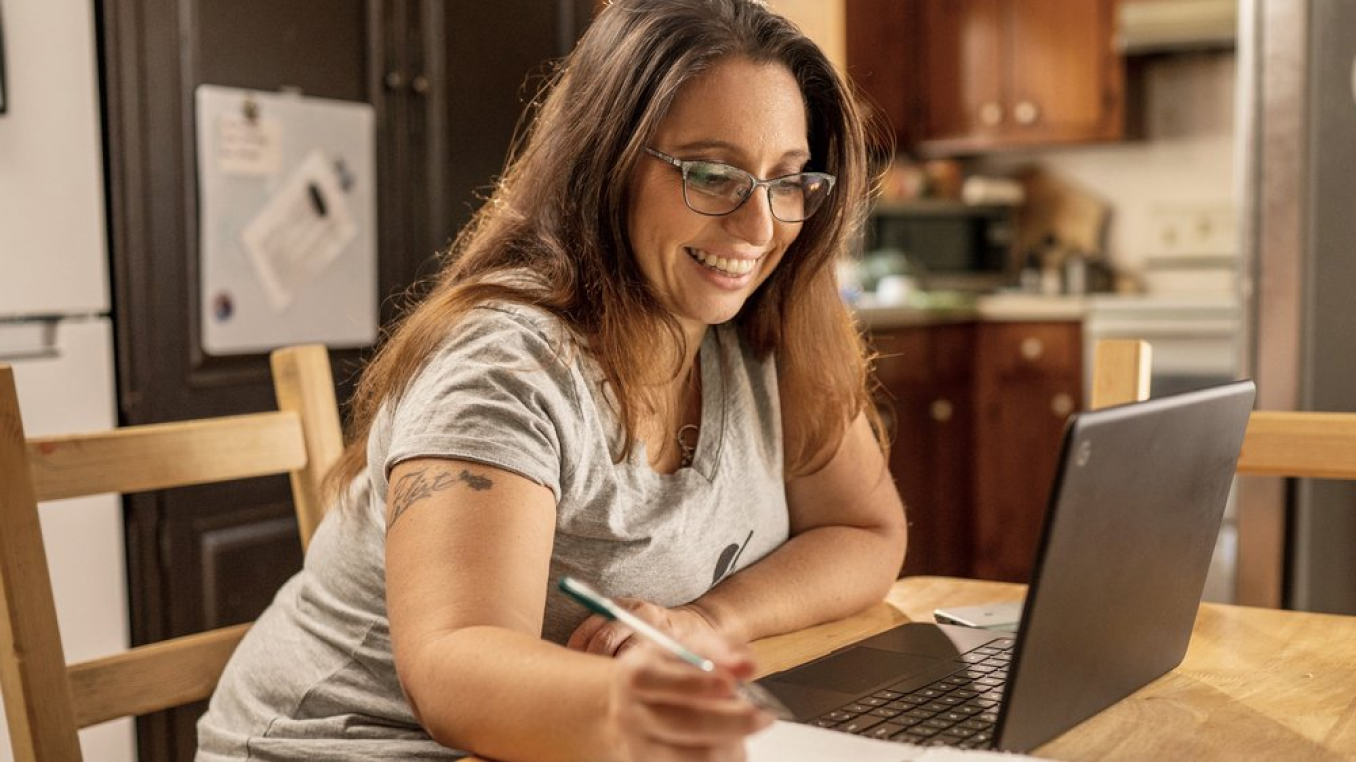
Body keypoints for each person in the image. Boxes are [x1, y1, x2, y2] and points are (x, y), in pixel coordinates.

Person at [197, 0, 907, 759]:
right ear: (606, 163)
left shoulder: (768, 329)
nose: (761, 229)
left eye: (788, 180)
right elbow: (456, 667)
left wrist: (711, 621)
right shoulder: (503, 369)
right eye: (711, 173)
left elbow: (864, 530)